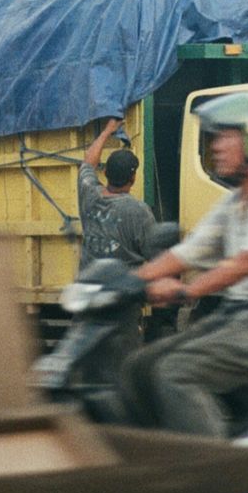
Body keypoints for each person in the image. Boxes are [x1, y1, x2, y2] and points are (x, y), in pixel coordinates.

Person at [118, 92, 248, 437]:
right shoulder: (235, 202)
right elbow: (190, 251)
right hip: (243, 315)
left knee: (175, 374)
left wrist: (185, 290)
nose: (214, 146)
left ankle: (220, 473)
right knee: (140, 366)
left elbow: (247, 262)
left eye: (224, 136)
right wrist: (127, 282)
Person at [77, 116, 156, 366]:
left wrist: (107, 131)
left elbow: (87, 164)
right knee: (125, 366)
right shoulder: (139, 212)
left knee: (84, 362)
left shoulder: (89, 196)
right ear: (133, 179)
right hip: (121, 303)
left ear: (107, 173)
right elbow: (156, 256)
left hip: (87, 297)